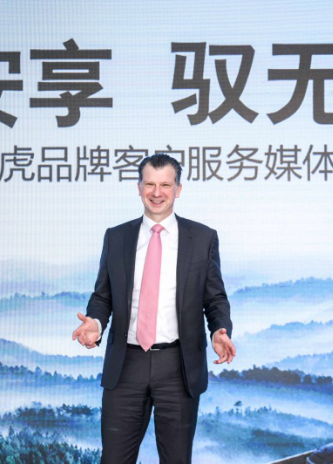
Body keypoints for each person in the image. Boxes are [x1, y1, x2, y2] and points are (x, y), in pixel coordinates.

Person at [72, 153, 236, 464]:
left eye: (165, 185)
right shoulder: (117, 237)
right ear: (139, 188)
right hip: (126, 364)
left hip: (179, 366)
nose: (157, 192)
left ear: (178, 189)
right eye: (149, 184)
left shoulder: (202, 238)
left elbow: (215, 298)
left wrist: (219, 329)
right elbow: (103, 296)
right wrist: (95, 322)